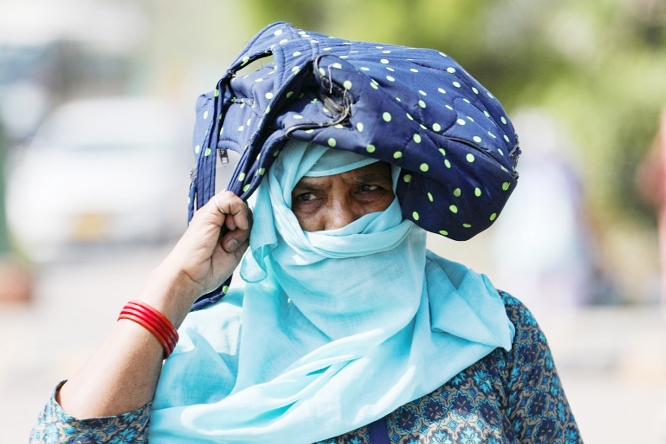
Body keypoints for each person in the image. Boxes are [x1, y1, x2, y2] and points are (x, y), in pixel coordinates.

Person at [30, 23, 582, 443]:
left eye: (367, 190)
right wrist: (175, 284)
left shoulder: (488, 330)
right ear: (274, 211)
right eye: (308, 198)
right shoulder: (213, 349)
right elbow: (72, 436)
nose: (340, 221)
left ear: (403, 196)